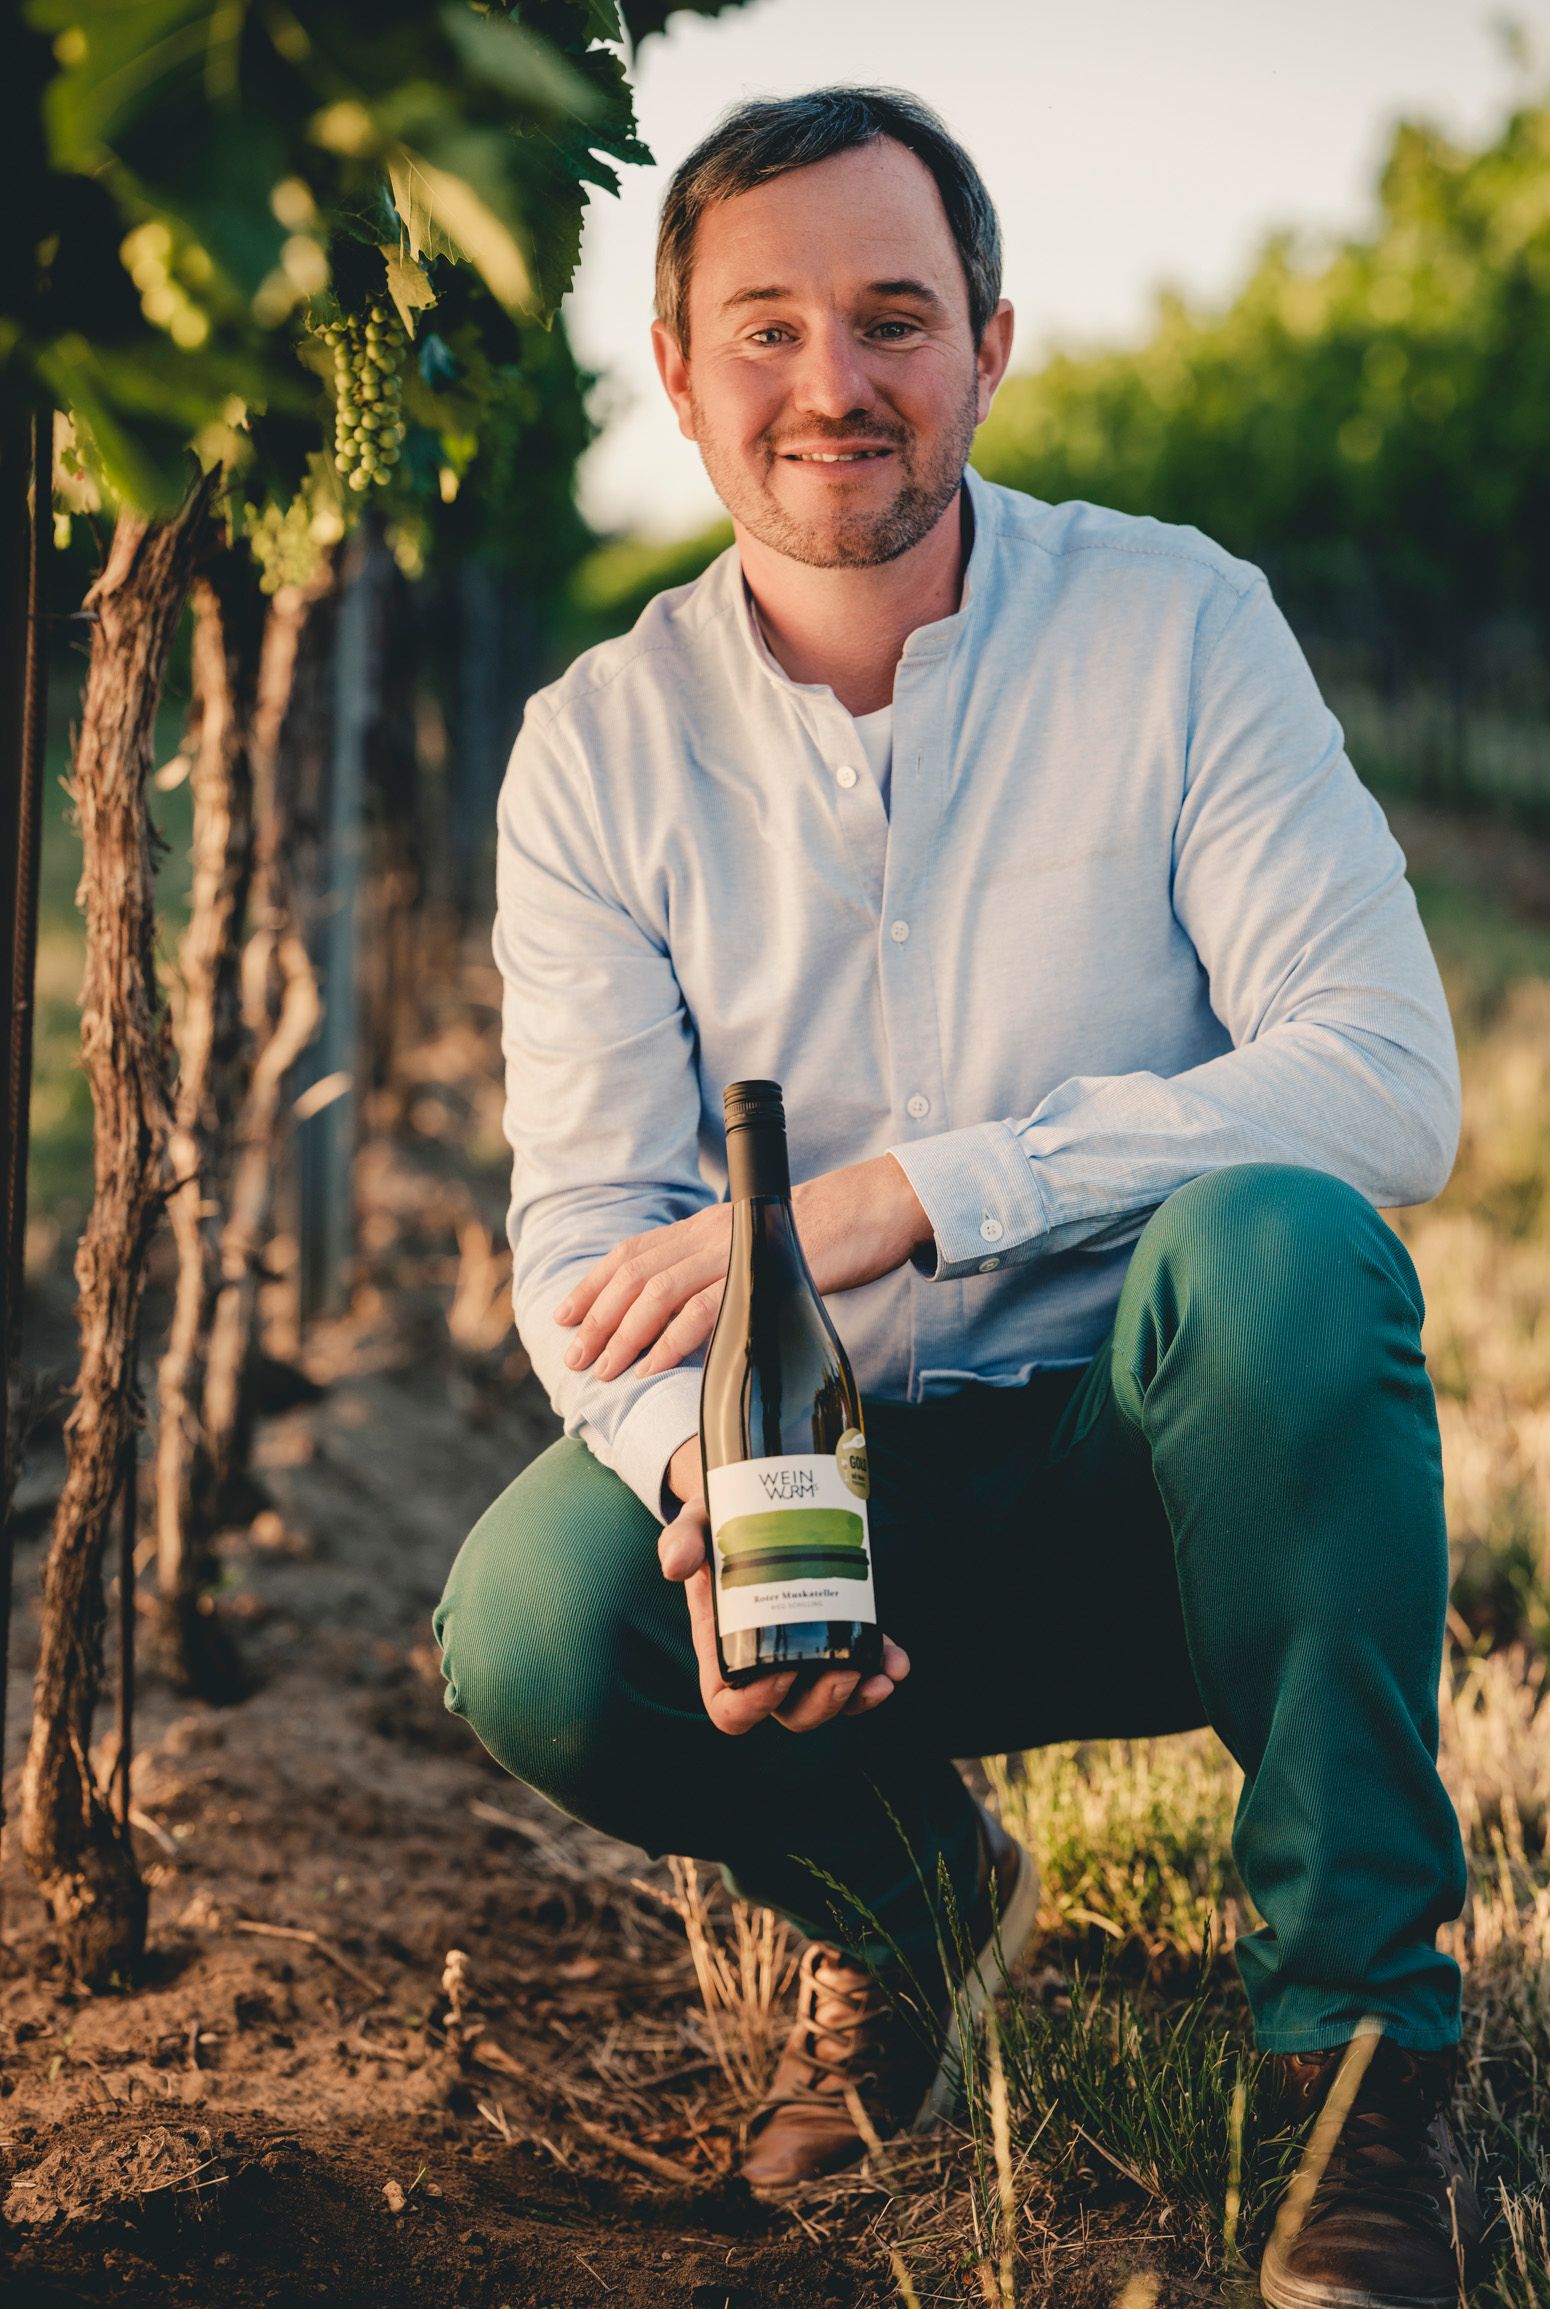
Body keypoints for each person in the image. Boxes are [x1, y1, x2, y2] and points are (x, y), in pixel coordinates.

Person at [433, 85, 1482, 2309]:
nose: (834, 384)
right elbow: (588, 1244)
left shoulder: (1178, 629)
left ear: (987, 345)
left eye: (892, 318)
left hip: (1176, 1480)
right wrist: (695, 1489)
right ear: (679, 371)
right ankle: (912, 1907)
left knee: (1284, 1242)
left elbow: (1383, 1077)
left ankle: (1357, 2068)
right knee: (530, 1624)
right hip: (844, 1527)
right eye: (769, 329)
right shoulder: (594, 757)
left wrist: (915, 1195)